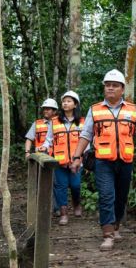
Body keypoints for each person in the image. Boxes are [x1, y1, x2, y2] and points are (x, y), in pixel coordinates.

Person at [70, 69, 136, 251]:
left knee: (121, 198)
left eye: (115, 86)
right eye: (107, 85)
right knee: (106, 195)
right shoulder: (95, 110)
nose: (110, 89)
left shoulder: (131, 110)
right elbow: (86, 135)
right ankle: (107, 235)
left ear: (122, 89)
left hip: (125, 161)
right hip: (103, 161)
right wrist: (76, 157)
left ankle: (116, 226)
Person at [39, 91, 86, 225]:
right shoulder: (54, 121)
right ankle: (64, 214)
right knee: (61, 187)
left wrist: (82, 157)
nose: (65, 103)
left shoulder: (82, 122)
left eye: (69, 101)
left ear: (75, 104)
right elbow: (49, 140)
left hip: (77, 162)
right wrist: (44, 147)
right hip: (59, 162)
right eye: (64, 101)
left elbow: (86, 141)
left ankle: (77, 204)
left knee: (76, 186)